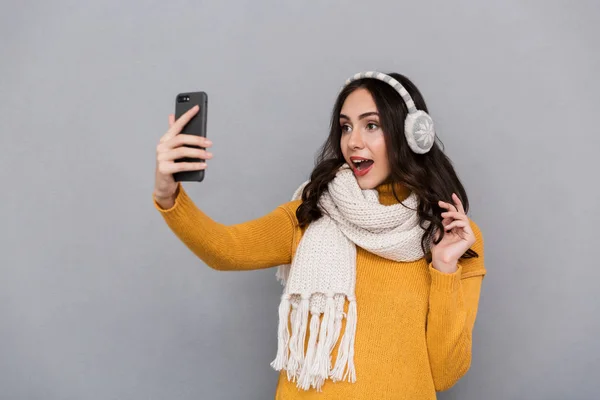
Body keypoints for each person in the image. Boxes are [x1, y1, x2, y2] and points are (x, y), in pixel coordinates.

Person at [153, 71, 486, 399]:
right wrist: (168, 195)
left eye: (371, 125)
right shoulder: (311, 211)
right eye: (345, 127)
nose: (353, 141)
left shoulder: (451, 238)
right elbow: (225, 249)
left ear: (413, 135)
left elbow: (444, 373)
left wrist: (444, 269)